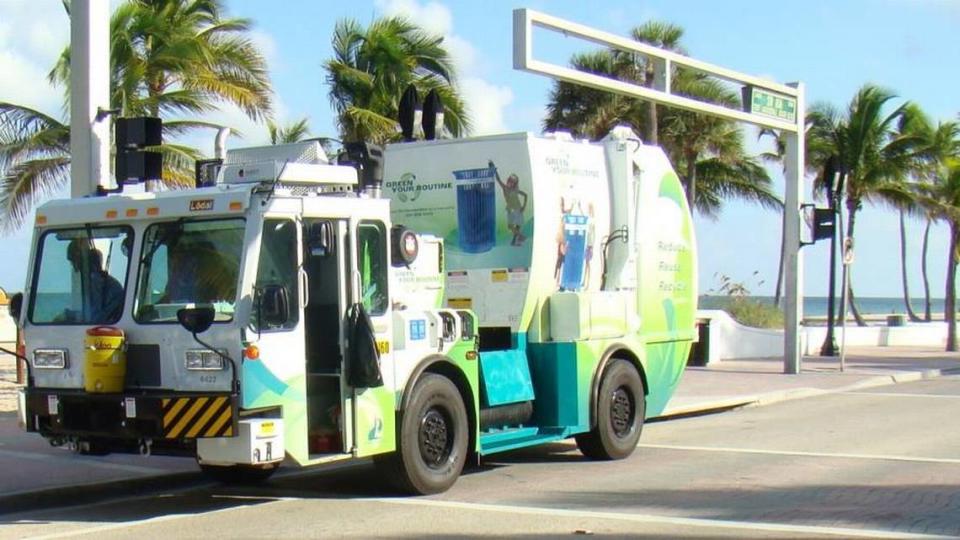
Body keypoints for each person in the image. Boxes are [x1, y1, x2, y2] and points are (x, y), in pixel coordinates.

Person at [67, 240, 124, 323]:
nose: (72, 265)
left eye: (73, 260)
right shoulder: (101, 280)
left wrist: (69, 316)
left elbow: (95, 317)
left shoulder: (96, 282)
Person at [491, 160, 528, 246]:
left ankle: (514, 241)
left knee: (517, 226)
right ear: (507, 181)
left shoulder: (515, 190)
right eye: (509, 181)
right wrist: (494, 169)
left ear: (514, 184)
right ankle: (520, 236)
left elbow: (525, 195)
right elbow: (498, 179)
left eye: (512, 183)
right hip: (510, 209)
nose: (510, 183)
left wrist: (524, 206)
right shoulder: (505, 188)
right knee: (511, 226)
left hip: (518, 209)